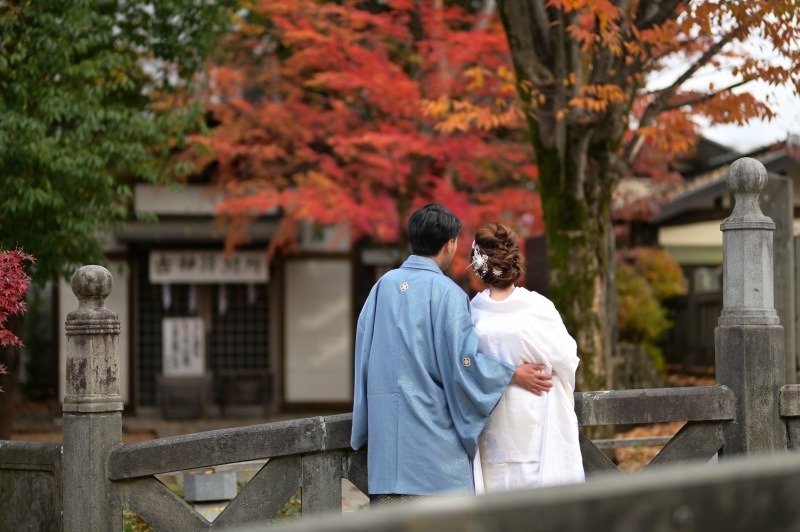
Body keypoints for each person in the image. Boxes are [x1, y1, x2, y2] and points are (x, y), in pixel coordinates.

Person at [351, 204, 552, 504]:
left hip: (386, 451)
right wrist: (510, 373)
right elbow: (464, 365)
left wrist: (364, 425)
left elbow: (363, 358)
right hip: (435, 459)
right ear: (449, 244)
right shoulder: (448, 294)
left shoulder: (382, 287)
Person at [469, 222, 584, 493]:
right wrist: (528, 373)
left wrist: (503, 374)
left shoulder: (472, 313)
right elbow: (567, 361)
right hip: (538, 418)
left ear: (479, 264)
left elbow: (467, 367)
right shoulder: (540, 309)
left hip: (491, 424)